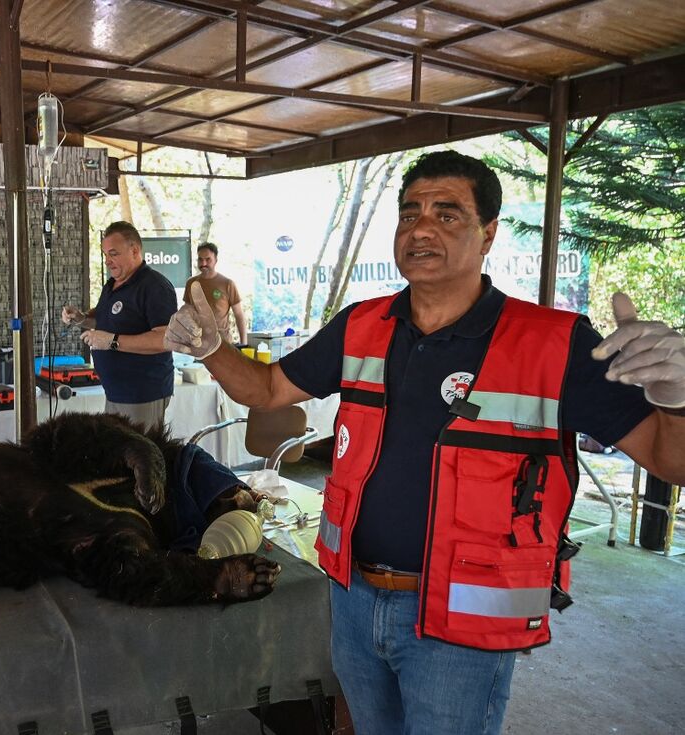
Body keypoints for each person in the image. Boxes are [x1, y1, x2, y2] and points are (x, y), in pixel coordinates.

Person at [165, 151, 685, 734]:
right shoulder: (362, 326)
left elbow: (671, 460)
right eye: (409, 214)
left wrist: (676, 399)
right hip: (356, 601)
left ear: (489, 233)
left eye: (448, 213)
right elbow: (265, 390)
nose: (422, 229)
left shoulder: (552, 344)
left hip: (462, 624)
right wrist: (213, 350)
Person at [61, 221, 178, 429]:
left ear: (134, 251)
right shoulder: (112, 285)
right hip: (115, 391)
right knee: (118, 456)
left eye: (113, 254)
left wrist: (112, 341)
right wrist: (81, 319)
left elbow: (165, 339)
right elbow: (105, 320)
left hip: (142, 393)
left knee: (139, 457)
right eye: (105, 254)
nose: (107, 261)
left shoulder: (155, 286)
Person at [183, 242, 247, 345]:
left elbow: (239, 314)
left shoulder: (227, 284)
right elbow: (187, 312)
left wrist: (244, 343)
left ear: (216, 260)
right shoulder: (191, 283)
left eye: (208, 259)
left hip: (223, 344)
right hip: (198, 344)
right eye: (200, 259)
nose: (203, 263)